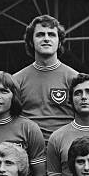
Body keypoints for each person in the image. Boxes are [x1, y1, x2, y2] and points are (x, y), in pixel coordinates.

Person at [12, 15, 78, 143]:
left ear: (59, 42)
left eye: (52, 35)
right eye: (40, 34)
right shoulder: (16, 80)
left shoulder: (75, 78)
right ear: (31, 41)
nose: (46, 39)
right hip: (28, 150)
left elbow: (85, 119)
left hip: (65, 149)